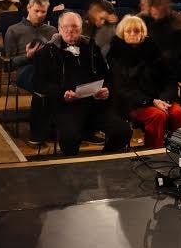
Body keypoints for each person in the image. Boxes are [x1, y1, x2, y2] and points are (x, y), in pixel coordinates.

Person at [25, 12, 132, 154]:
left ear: (81, 29)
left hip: (95, 104)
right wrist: (62, 94)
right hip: (66, 106)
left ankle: (104, 160)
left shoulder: (93, 47)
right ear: (59, 29)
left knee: (123, 131)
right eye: (66, 27)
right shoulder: (45, 53)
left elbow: (107, 76)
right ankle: (72, 170)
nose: (70, 30)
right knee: (69, 137)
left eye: (75, 27)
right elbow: (39, 83)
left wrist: (106, 89)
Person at [106, 15, 181, 148]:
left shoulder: (153, 49)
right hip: (133, 103)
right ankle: (153, 152)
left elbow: (169, 79)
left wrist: (165, 100)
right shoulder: (116, 54)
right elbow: (122, 89)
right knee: (157, 115)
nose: (133, 34)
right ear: (122, 33)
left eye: (137, 31)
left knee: (179, 113)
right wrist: (151, 101)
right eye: (129, 31)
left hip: (160, 99)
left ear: (143, 33)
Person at [5, 0, 58, 70]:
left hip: (49, 69)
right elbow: (10, 63)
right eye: (36, 11)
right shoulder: (13, 30)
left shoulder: (52, 30)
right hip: (26, 69)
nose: (39, 15)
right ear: (28, 8)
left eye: (43, 12)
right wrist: (28, 57)